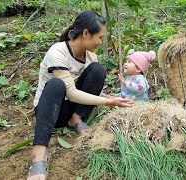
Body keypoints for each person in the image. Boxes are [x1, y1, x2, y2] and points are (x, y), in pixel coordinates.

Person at [27, 10, 133, 180]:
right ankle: (39, 155)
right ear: (85, 34)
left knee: (98, 70)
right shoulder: (58, 52)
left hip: (72, 107)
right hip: (52, 111)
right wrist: (105, 101)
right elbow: (71, 92)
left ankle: (76, 119)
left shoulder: (91, 57)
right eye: (99, 37)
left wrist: (109, 97)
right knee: (56, 84)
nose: (100, 42)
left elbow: (89, 88)